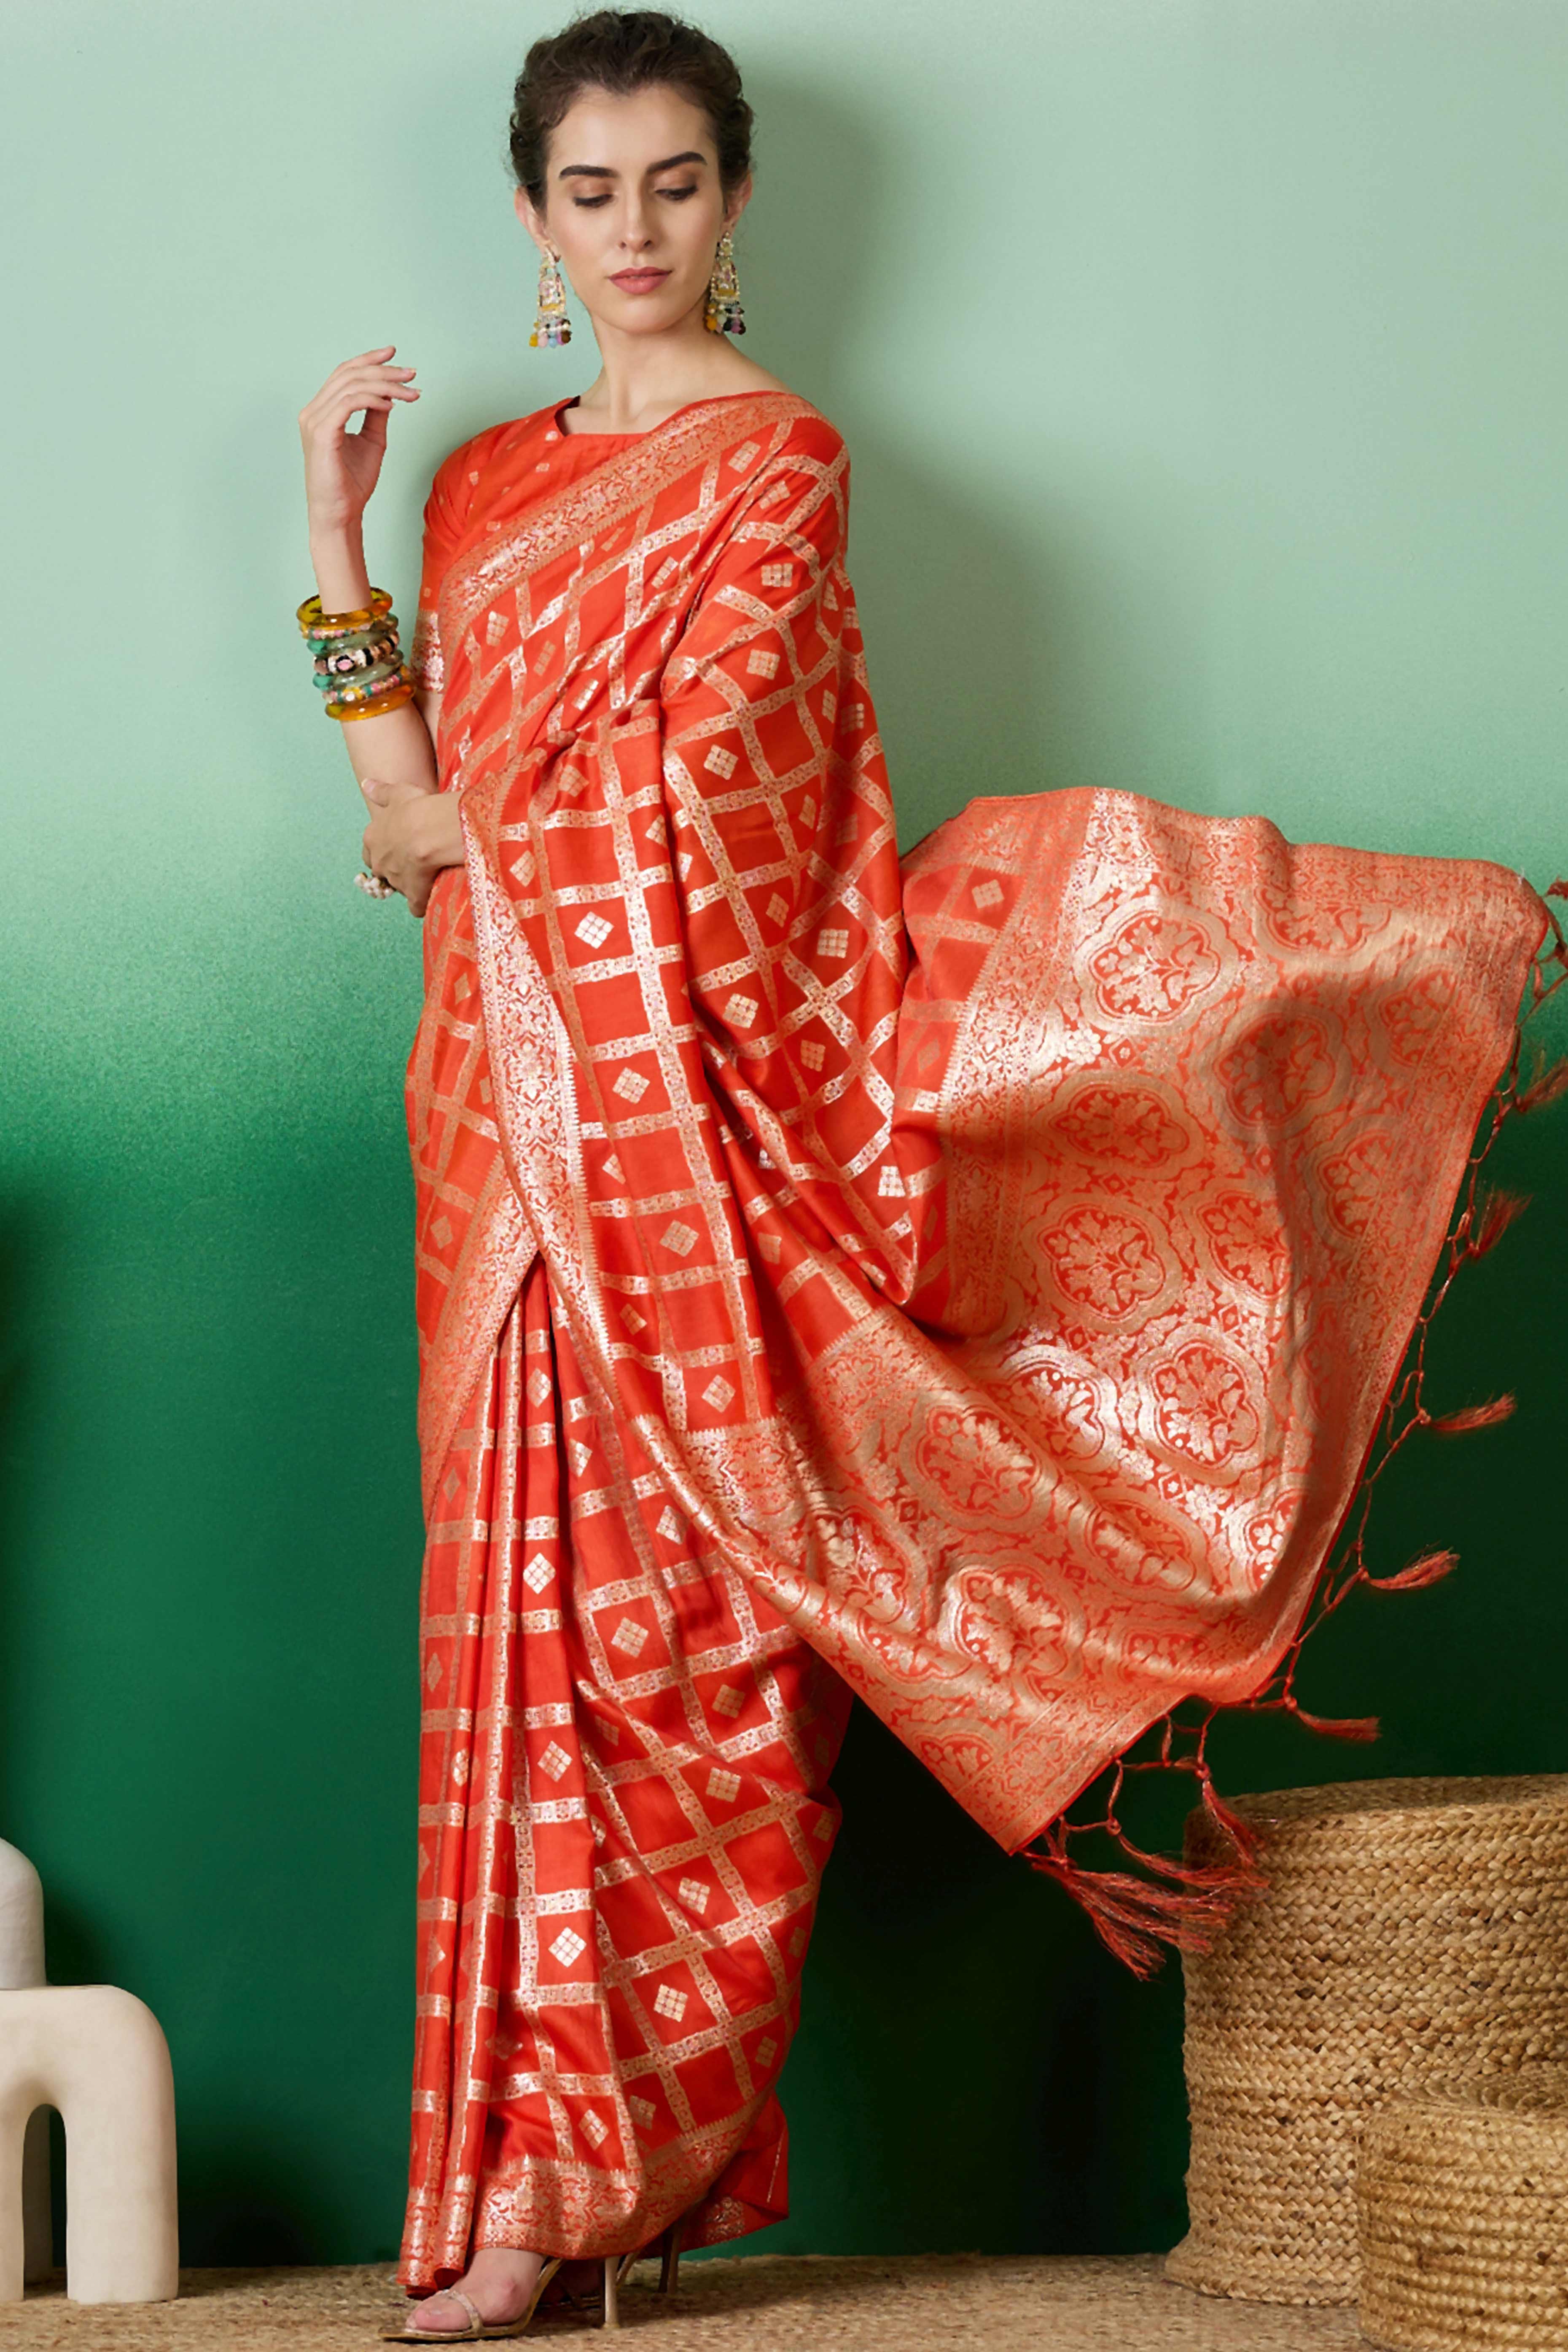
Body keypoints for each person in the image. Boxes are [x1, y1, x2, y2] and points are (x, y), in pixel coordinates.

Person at [295, 10, 1560, 2339]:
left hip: (690, 1139)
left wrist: (458, 826)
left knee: (684, 1643)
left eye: (678, 183)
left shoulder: (778, 469)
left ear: (737, 199)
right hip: (491, 1122)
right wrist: (335, 541)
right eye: (595, 194)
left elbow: (716, 823)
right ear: (534, 222)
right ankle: (498, 2184)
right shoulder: (477, 489)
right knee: (507, 1630)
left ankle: (594, 2178)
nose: (640, 230)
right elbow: (414, 817)